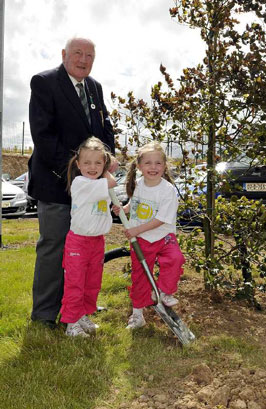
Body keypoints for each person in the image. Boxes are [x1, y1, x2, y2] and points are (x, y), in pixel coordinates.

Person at [28, 37, 117, 328]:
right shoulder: (44, 82)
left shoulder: (95, 87)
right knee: (54, 247)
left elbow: (105, 129)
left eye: (89, 55)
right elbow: (44, 136)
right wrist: (77, 173)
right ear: (64, 54)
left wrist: (106, 159)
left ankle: (77, 309)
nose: (83, 59)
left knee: (86, 251)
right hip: (56, 184)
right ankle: (44, 314)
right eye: (77, 53)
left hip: (90, 184)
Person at [113, 142, 185, 329]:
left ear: (164, 166)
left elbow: (162, 219)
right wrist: (122, 209)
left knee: (175, 259)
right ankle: (137, 315)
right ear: (139, 166)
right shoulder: (138, 185)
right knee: (141, 276)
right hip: (142, 241)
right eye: (148, 163)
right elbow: (134, 204)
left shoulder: (167, 190)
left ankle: (163, 292)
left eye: (158, 163)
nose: (153, 167)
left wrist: (136, 230)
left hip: (163, 237)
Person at [60, 137, 116, 337]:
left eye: (98, 163)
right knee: (75, 283)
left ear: (103, 164)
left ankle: (82, 314)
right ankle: (71, 323)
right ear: (78, 165)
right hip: (79, 242)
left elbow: (103, 204)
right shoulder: (81, 182)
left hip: (97, 241)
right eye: (87, 163)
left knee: (92, 283)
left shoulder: (100, 184)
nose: (92, 167)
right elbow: (112, 181)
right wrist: (108, 167)